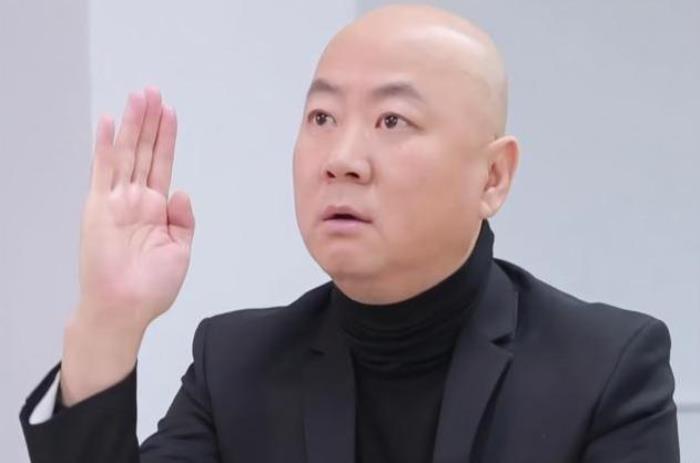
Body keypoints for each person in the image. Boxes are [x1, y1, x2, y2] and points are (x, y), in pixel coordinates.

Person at [19, 4, 679, 462]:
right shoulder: (237, 365)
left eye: (392, 120)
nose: (341, 157)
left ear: (493, 176)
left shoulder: (605, 369)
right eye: (322, 117)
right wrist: (109, 321)